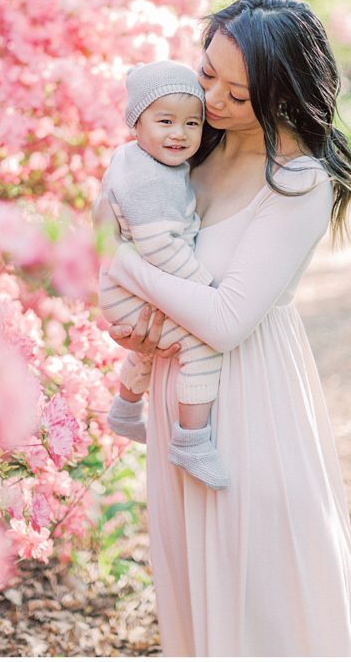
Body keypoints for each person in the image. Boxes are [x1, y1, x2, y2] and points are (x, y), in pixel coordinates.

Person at [96, 0, 351, 657]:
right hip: (176, 396)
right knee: (196, 590)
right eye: (207, 75)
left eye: (240, 91)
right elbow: (113, 227)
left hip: (251, 400)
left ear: (283, 91)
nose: (215, 101)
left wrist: (125, 265)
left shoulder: (299, 181)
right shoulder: (186, 147)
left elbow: (225, 321)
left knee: (264, 596)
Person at [101, 60, 229, 489]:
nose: (180, 133)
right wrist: (205, 289)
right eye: (165, 121)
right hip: (129, 286)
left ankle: (124, 409)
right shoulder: (150, 178)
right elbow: (159, 246)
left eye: (192, 123)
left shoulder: (139, 159)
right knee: (201, 345)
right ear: (137, 122)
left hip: (123, 284)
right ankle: (191, 441)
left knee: (153, 346)